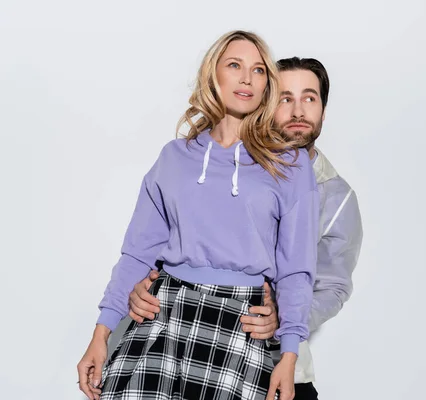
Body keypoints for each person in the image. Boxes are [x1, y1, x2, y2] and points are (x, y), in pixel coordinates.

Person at [76, 31, 319, 400]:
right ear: (212, 75)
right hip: (165, 314)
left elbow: (296, 269)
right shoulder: (174, 157)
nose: (246, 78)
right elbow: (137, 252)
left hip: (241, 322)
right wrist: (100, 333)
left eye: (257, 70)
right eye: (234, 65)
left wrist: (289, 354)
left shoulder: (289, 163)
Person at [126, 57, 363, 400]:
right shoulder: (222, 166)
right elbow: (180, 241)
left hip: (283, 369)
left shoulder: (337, 195)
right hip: (190, 348)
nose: (297, 111)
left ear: (323, 111)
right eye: (284, 98)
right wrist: (146, 287)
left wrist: (281, 320)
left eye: (309, 98)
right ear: (264, 103)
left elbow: (333, 285)